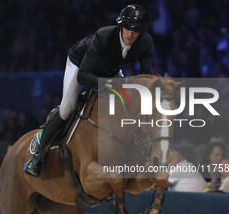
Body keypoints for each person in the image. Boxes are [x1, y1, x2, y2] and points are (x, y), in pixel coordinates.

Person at [24, 4, 154, 177]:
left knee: (129, 101)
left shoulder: (145, 42)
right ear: (120, 25)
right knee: (68, 107)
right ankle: (38, 155)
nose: (131, 34)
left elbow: (146, 76)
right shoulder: (103, 36)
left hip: (110, 69)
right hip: (81, 65)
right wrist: (109, 85)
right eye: (128, 28)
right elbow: (84, 76)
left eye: (136, 30)